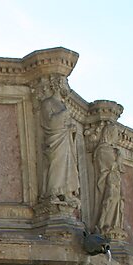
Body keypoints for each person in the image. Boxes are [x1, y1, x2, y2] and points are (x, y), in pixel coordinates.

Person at [39, 76, 79, 205]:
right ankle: (53, 192)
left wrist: (71, 129)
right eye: (65, 84)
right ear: (58, 85)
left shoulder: (62, 104)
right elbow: (49, 122)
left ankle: (66, 192)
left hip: (65, 139)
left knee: (67, 164)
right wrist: (64, 114)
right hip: (55, 140)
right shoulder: (48, 103)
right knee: (56, 164)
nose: (67, 87)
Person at [94, 123, 125, 237]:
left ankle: (112, 224)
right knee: (110, 199)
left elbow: (120, 168)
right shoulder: (103, 149)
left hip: (114, 180)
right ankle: (104, 224)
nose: (117, 137)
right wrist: (118, 158)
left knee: (116, 201)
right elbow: (111, 165)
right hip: (107, 180)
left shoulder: (112, 150)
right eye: (115, 134)